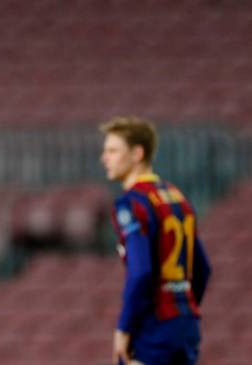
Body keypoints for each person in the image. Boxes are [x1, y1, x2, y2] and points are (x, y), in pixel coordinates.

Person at [100, 117, 211, 365]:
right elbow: (202, 269)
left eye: (113, 150)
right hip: (186, 324)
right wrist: (182, 307)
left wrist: (124, 328)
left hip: (153, 327)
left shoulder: (131, 203)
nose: (104, 158)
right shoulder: (177, 197)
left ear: (137, 153)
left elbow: (140, 272)